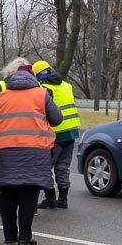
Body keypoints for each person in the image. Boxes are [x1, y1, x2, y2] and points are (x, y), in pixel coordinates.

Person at [0, 60, 62, 245]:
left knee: (7, 191)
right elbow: (56, 119)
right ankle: (25, 237)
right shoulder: (41, 94)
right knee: (28, 192)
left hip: (4, 150)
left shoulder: (2, 96)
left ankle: (9, 236)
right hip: (35, 150)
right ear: (32, 78)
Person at [31, 60, 81, 209]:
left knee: (45, 168)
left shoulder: (43, 88)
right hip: (71, 133)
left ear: (38, 75)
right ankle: (63, 200)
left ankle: (50, 199)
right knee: (63, 167)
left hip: (55, 135)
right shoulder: (67, 85)